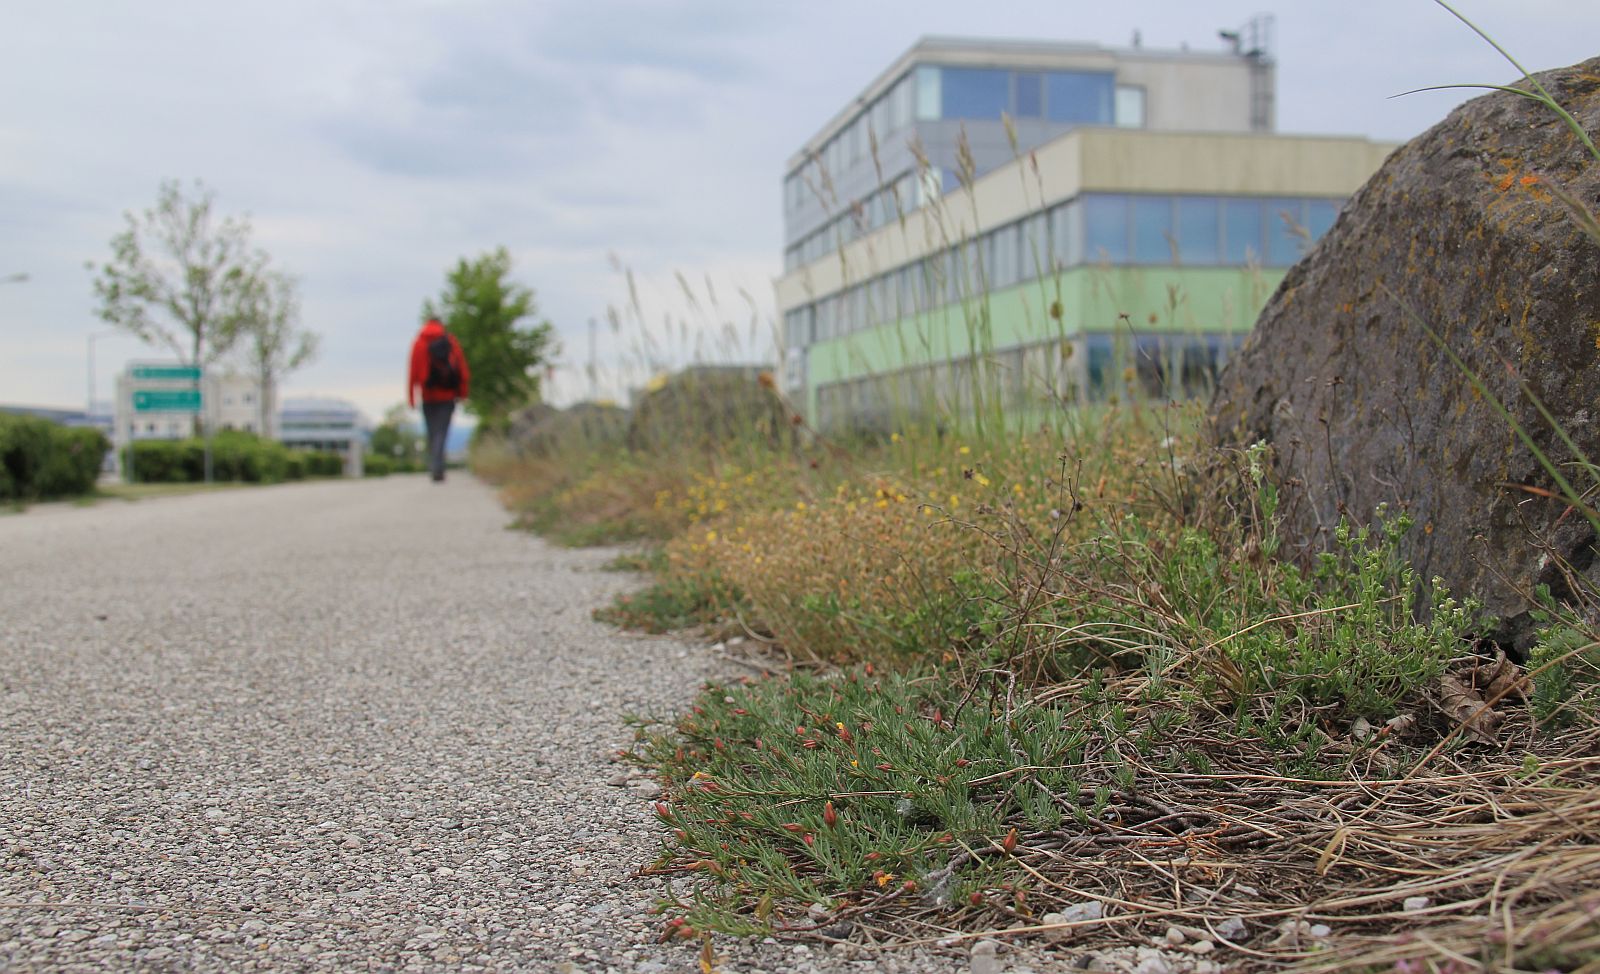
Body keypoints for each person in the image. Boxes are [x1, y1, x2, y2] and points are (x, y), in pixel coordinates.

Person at [407, 317, 470, 482]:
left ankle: (435, 466)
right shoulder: (450, 341)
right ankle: (438, 467)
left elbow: (412, 372)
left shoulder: (419, 343)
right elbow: (461, 368)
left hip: (427, 396)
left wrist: (412, 397)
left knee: (432, 432)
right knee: (442, 432)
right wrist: (463, 392)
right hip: (448, 395)